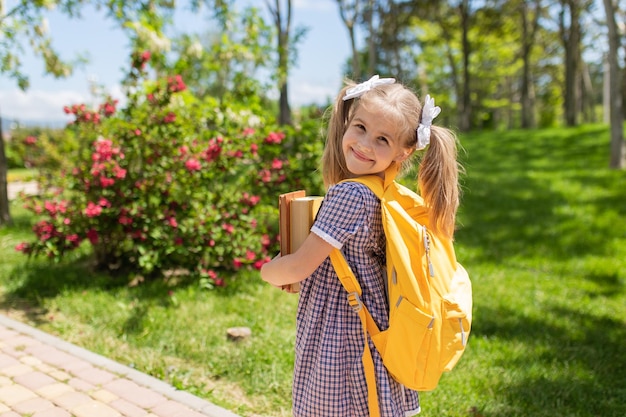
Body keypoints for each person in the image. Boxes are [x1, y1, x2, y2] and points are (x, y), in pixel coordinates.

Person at [260, 75, 461, 417]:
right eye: (360, 127)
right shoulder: (386, 190)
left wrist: (267, 269)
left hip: (343, 342)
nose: (365, 144)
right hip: (372, 329)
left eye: (382, 139)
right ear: (347, 122)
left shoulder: (349, 193)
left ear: (404, 151)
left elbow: (297, 266)